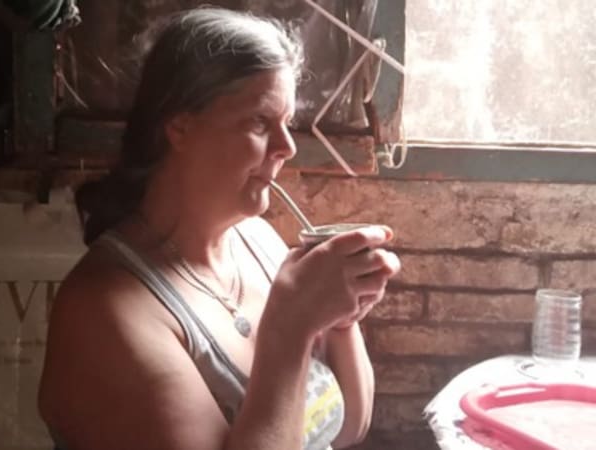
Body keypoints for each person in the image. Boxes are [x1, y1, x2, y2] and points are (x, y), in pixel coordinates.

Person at [38, 7, 401, 450]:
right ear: (180, 126)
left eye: (287, 123)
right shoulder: (104, 312)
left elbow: (347, 427)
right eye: (260, 122)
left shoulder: (259, 241)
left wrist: (341, 318)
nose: (287, 147)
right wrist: (289, 330)